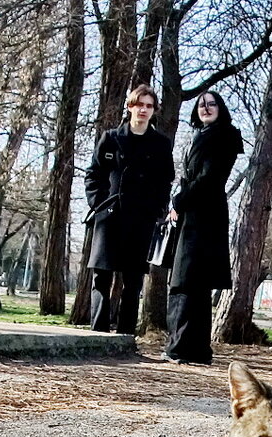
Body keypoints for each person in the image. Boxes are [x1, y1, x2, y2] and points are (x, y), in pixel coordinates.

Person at [85, 85, 175, 335]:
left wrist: (156, 209)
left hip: (141, 220)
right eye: (139, 105)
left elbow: (165, 180)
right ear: (130, 106)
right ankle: (98, 333)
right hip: (109, 217)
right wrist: (99, 203)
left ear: (153, 110)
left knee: (133, 280)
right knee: (101, 277)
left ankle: (125, 336)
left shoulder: (160, 144)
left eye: (149, 106)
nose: (143, 110)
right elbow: (94, 174)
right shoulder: (111, 138)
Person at [162, 91, 243, 365]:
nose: (206, 108)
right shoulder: (201, 135)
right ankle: (191, 349)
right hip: (194, 213)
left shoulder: (225, 136)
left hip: (204, 216)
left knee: (188, 281)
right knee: (190, 282)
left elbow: (210, 177)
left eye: (212, 104)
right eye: (201, 105)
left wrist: (180, 200)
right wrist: (179, 203)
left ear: (221, 108)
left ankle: (182, 348)